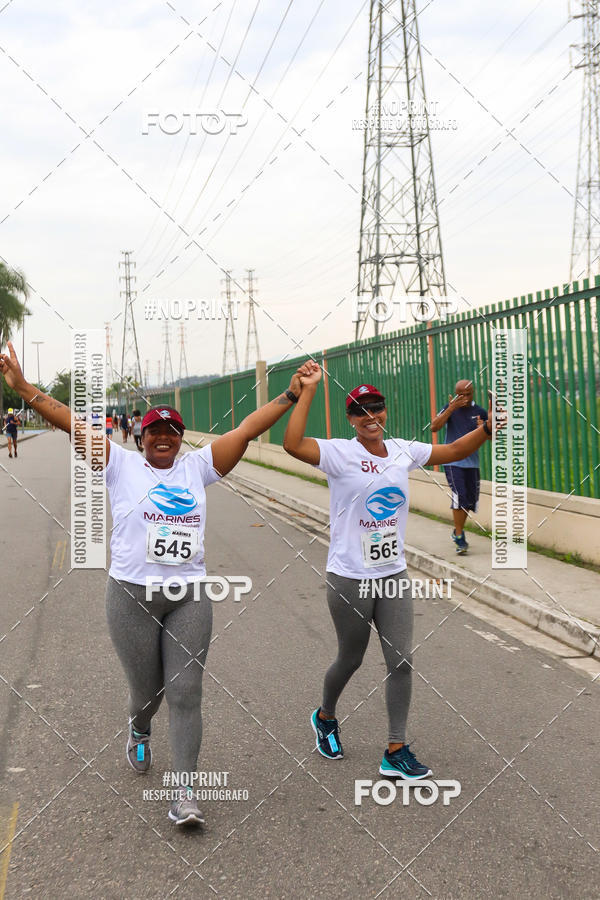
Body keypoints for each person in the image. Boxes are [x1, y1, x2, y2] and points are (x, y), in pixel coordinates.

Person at [0, 340, 306, 826]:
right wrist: (23, 388)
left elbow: (247, 429)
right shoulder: (118, 464)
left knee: (185, 691)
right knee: (148, 692)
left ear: (180, 438)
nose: (163, 438)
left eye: (171, 432)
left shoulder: (196, 469)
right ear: (141, 437)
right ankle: (140, 727)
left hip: (188, 598)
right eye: (154, 431)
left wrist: (290, 394)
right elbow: (71, 422)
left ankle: (185, 794)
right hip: (130, 597)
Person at [283, 362, 495, 781]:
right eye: (360, 411)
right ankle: (325, 716)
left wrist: (488, 428)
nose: (370, 416)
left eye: (376, 408)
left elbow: (454, 452)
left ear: (385, 411)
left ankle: (395, 750)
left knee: (401, 661)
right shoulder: (340, 454)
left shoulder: (402, 450)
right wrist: (306, 392)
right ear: (350, 419)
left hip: (393, 574)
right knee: (351, 658)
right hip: (349, 576)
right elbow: (292, 444)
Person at [430, 379, 488, 555]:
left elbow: (492, 436)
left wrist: (484, 429)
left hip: (472, 463)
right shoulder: (449, 408)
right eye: (460, 395)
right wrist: (450, 409)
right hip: (453, 462)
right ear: (455, 394)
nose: (464, 398)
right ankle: (460, 537)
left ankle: (457, 531)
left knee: (469, 501)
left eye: (467, 394)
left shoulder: (480, 412)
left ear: (473, 393)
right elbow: (434, 427)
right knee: (459, 496)